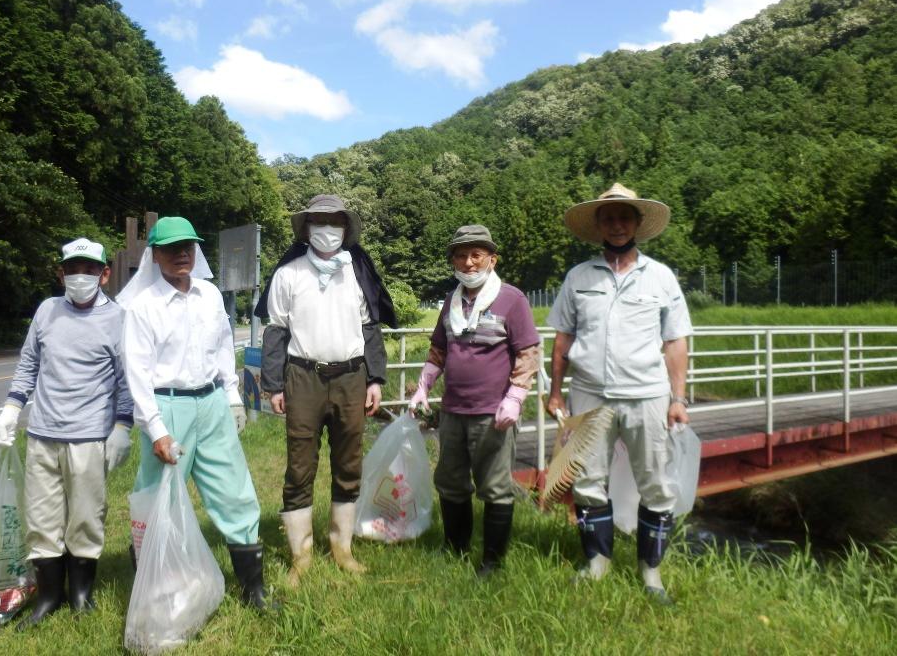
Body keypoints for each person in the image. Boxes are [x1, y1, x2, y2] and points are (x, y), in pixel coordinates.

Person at [545, 183, 692, 603]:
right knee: (588, 481)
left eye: (624, 217)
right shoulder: (578, 277)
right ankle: (597, 562)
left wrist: (678, 400)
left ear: (637, 224)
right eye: (608, 218)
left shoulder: (661, 277)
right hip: (590, 393)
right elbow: (562, 340)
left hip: (648, 394)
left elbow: (676, 342)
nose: (616, 225)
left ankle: (651, 572)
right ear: (598, 226)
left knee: (657, 483)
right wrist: (556, 393)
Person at [117, 216, 269, 610]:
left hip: (212, 401)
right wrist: (156, 429)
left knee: (234, 489)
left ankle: (254, 589)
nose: (181, 254)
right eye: (171, 248)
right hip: (168, 405)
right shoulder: (142, 306)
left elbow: (222, 347)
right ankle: (154, 590)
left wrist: (233, 396)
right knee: (159, 499)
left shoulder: (209, 295)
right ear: (156, 255)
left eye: (188, 246)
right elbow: (137, 374)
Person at [0, 237, 134, 628]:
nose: (81, 276)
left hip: (90, 436)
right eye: (73, 269)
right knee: (42, 518)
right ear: (61, 273)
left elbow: (126, 380)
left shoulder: (118, 319)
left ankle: (81, 594)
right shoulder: (47, 311)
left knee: (86, 517)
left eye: (90, 269)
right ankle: (49, 596)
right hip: (43, 433)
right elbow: (28, 364)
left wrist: (122, 426)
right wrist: (11, 408)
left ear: (104, 274)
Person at [255, 194, 397, 586]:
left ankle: (342, 548)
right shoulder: (289, 273)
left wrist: (375, 379)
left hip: (352, 376)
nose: (327, 228)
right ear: (307, 228)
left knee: (349, 462)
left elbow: (371, 329)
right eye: (319, 221)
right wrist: (273, 384)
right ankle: (300, 556)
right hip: (302, 376)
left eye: (335, 221)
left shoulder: (358, 270)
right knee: (300, 465)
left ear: (346, 228)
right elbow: (276, 331)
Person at [409, 225, 540, 577]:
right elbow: (439, 350)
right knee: (450, 482)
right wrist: (423, 386)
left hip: (493, 413)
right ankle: (455, 548)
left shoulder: (512, 299)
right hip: (452, 411)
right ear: (453, 260)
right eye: (461, 255)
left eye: (476, 254)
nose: (468, 262)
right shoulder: (450, 302)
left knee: (495, 486)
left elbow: (528, 352)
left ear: (491, 259)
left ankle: (493, 561)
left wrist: (515, 397)